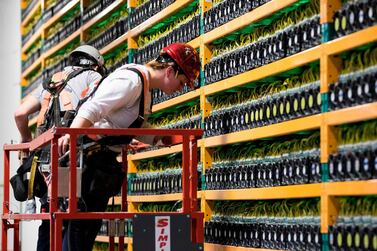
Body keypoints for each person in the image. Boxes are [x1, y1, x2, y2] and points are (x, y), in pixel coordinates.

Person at [57, 43, 201, 251]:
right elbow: (93, 108)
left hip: (99, 159)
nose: (181, 88)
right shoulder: (131, 81)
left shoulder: (144, 86)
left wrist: (164, 139)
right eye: (182, 82)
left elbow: (133, 124)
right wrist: (71, 136)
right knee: (81, 225)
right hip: (89, 157)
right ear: (170, 70)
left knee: (85, 225)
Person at [14, 45, 105, 251]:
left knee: (49, 218)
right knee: (73, 221)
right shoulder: (93, 77)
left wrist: (27, 142)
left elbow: (20, 114)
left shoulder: (52, 81)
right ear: (96, 64)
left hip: (45, 162)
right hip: (72, 158)